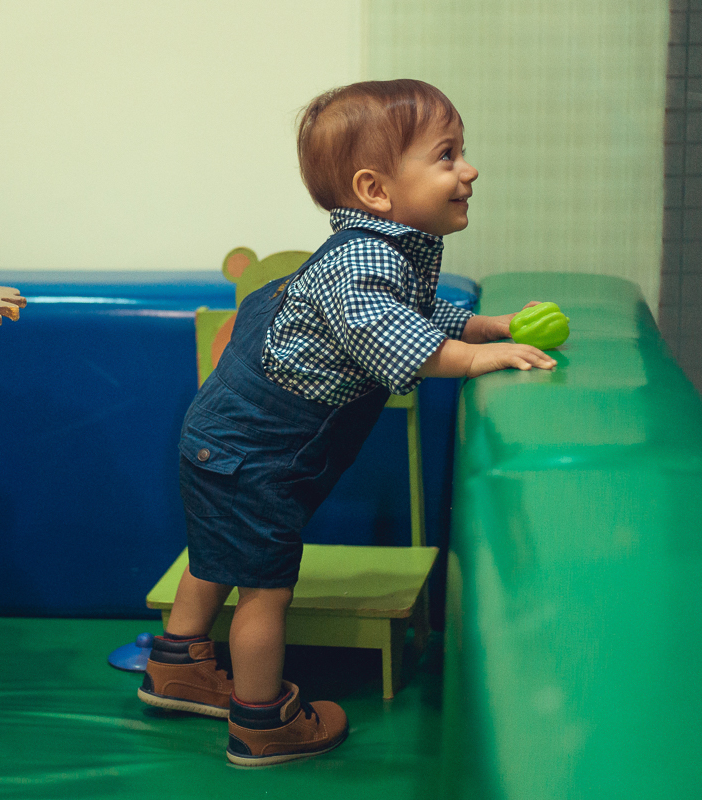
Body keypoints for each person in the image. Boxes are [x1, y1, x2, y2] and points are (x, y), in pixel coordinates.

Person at [137, 79, 556, 766]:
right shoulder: (364, 261)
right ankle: (261, 721)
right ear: (375, 190)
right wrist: (480, 358)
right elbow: (394, 335)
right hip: (255, 455)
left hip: (224, 444)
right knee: (265, 589)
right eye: (448, 156)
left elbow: (414, 314)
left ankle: (178, 668)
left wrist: (488, 325)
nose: (469, 170)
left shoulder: (386, 250)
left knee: (217, 556)